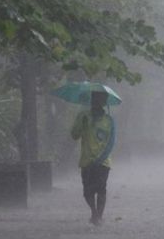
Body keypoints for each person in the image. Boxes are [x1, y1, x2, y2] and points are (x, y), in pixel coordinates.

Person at [71, 91, 115, 226]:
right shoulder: (83, 116)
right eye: (94, 99)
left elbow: (111, 142)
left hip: (103, 162)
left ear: (104, 102)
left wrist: (100, 159)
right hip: (86, 161)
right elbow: (74, 135)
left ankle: (99, 216)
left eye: (100, 100)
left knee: (101, 189)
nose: (96, 103)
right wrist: (82, 125)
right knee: (87, 191)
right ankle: (94, 212)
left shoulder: (109, 121)